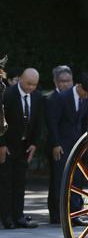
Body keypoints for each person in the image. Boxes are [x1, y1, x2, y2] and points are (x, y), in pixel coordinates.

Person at [45, 73, 88, 224]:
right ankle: (57, 214)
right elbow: (52, 123)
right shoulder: (60, 97)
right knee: (60, 179)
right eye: (85, 92)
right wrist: (55, 144)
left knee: (77, 178)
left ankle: (75, 213)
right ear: (79, 86)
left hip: (77, 144)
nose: (87, 95)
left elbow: (86, 121)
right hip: (61, 143)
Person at [0, 68, 43, 228]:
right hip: (7, 145)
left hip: (24, 146)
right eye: (28, 83)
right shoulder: (7, 94)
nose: (31, 87)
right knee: (6, 183)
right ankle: (7, 218)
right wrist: (2, 144)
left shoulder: (37, 97)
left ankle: (19, 216)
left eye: (34, 85)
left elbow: (38, 122)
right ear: (21, 80)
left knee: (20, 182)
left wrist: (34, 144)